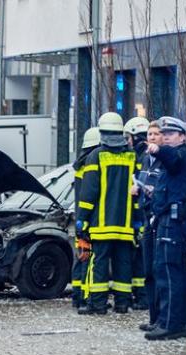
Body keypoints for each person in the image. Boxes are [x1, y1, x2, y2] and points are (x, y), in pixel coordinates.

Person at [144, 116, 186, 340]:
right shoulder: (182, 158)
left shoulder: (182, 154)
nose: (165, 137)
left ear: (183, 136)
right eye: (163, 134)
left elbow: (172, 159)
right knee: (176, 273)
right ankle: (178, 322)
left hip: (174, 223)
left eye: (170, 134)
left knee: (168, 273)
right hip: (172, 221)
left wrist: (157, 150)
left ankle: (170, 324)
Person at [76, 112, 139, 315]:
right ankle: (122, 303)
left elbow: (89, 192)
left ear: (101, 131)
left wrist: (82, 220)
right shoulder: (132, 156)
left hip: (101, 224)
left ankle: (98, 305)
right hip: (125, 224)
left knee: (99, 264)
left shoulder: (96, 155)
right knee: (123, 263)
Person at [135, 121, 164, 330]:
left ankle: (163, 319)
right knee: (149, 272)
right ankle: (154, 319)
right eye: (150, 134)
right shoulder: (146, 159)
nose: (152, 137)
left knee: (159, 271)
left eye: (156, 134)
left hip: (159, 219)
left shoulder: (166, 161)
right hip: (147, 217)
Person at [71, 127, 101, 308]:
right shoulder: (91, 166)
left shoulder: (79, 166)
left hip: (80, 218)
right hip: (89, 220)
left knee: (81, 257)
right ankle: (85, 296)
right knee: (88, 260)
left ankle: (77, 296)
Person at [124, 116, 150, 310]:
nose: (127, 141)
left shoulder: (142, 157)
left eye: (129, 137)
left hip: (141, 217)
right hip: (140, 216)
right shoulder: (143, 155)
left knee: (141, 259)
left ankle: (142, 298)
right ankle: (141, 296)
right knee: (139, 257)